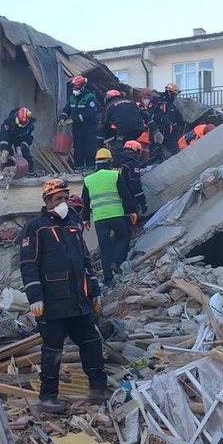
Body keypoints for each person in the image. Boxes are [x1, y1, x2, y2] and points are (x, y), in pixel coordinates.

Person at [19, 179, 108, 412]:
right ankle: (48, 397)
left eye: (66, 197)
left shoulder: (74, 224)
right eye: (58, 198)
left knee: (91, 343)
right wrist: (34, 296)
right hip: (53, 304)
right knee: (53, 352)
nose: (64, 202)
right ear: (47, 201)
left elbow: (85, 260)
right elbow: (28, 263)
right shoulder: (35, 227)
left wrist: (95, 290)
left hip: (80, 302)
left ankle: (98, 390)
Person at [82, 148, 138, 286]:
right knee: (123, 237)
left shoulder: (88, 180)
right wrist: (132, 211)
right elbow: (125, 195)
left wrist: (86, 219)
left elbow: (85, 201)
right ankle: (117, 262)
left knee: (104, 246)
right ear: (110, 161)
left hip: (100, 218)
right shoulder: (115, 175)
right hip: (116, 215)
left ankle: (108, 279)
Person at [59, 76, 98, 172]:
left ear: (83, 87)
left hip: (89, 129)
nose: (75, 90)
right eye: (74, 88)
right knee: (78, 150)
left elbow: (90, 114)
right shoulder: (72, 98)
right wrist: (62, 117)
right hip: (77, 130)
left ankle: (90, 169)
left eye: (77, 88)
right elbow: (67, 109)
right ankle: (78, 170)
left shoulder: (90, 97)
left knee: (89, 150)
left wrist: (73, 120)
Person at [115, 139, 148, 215]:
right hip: (127, 199)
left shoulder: (114, 163)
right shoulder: (132, 164)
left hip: (113, 200)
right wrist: (143, 202)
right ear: (136, 151)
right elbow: (135, 185)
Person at [0, 107, 36, 174]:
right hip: (10, 135)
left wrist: (21, 146)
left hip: (20, 137)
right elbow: (4, 135)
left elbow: (29, 137)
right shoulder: (9, 121)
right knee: (8, 152)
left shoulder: (30, 125)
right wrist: (4, 150)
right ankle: (9, 171)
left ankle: (31, 170)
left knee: (24, 148)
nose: (21, 125)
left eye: (23, 123)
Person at [150, 83, 184, 153]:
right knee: (156, 152)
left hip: (171, 133)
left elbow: (177, 117)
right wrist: (163, 119)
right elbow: (150, 115)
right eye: (174, 95)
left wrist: (181, 122)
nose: (175, 97)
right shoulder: (158, 101)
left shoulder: (171, 104)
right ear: (170, 92)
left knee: (174, 152)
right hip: (160, 131)